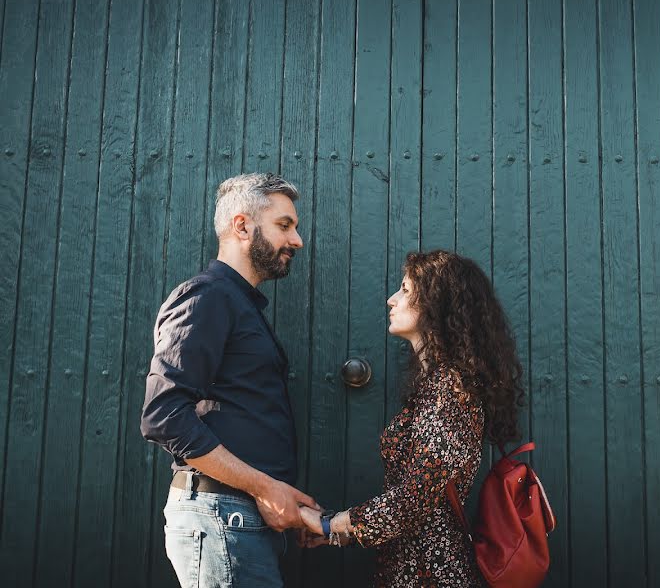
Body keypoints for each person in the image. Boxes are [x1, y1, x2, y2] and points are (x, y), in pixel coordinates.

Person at [299, 250, 524, 587]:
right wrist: (339, 533)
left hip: (431, 574)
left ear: (437, 302)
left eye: (404, 290)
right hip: (414, 567)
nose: (392, 300)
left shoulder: (449, 388)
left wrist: (333, 525)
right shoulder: (435, 384)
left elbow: (413, 499)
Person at [141, 173, 318, 588]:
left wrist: (275, 496)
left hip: (238, 519)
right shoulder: (208, 297)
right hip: (221, 517)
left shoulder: (238, 304)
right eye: (284, 225)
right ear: (242, 226)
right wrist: (265, 488)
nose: (297, 241)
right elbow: (163, 416)